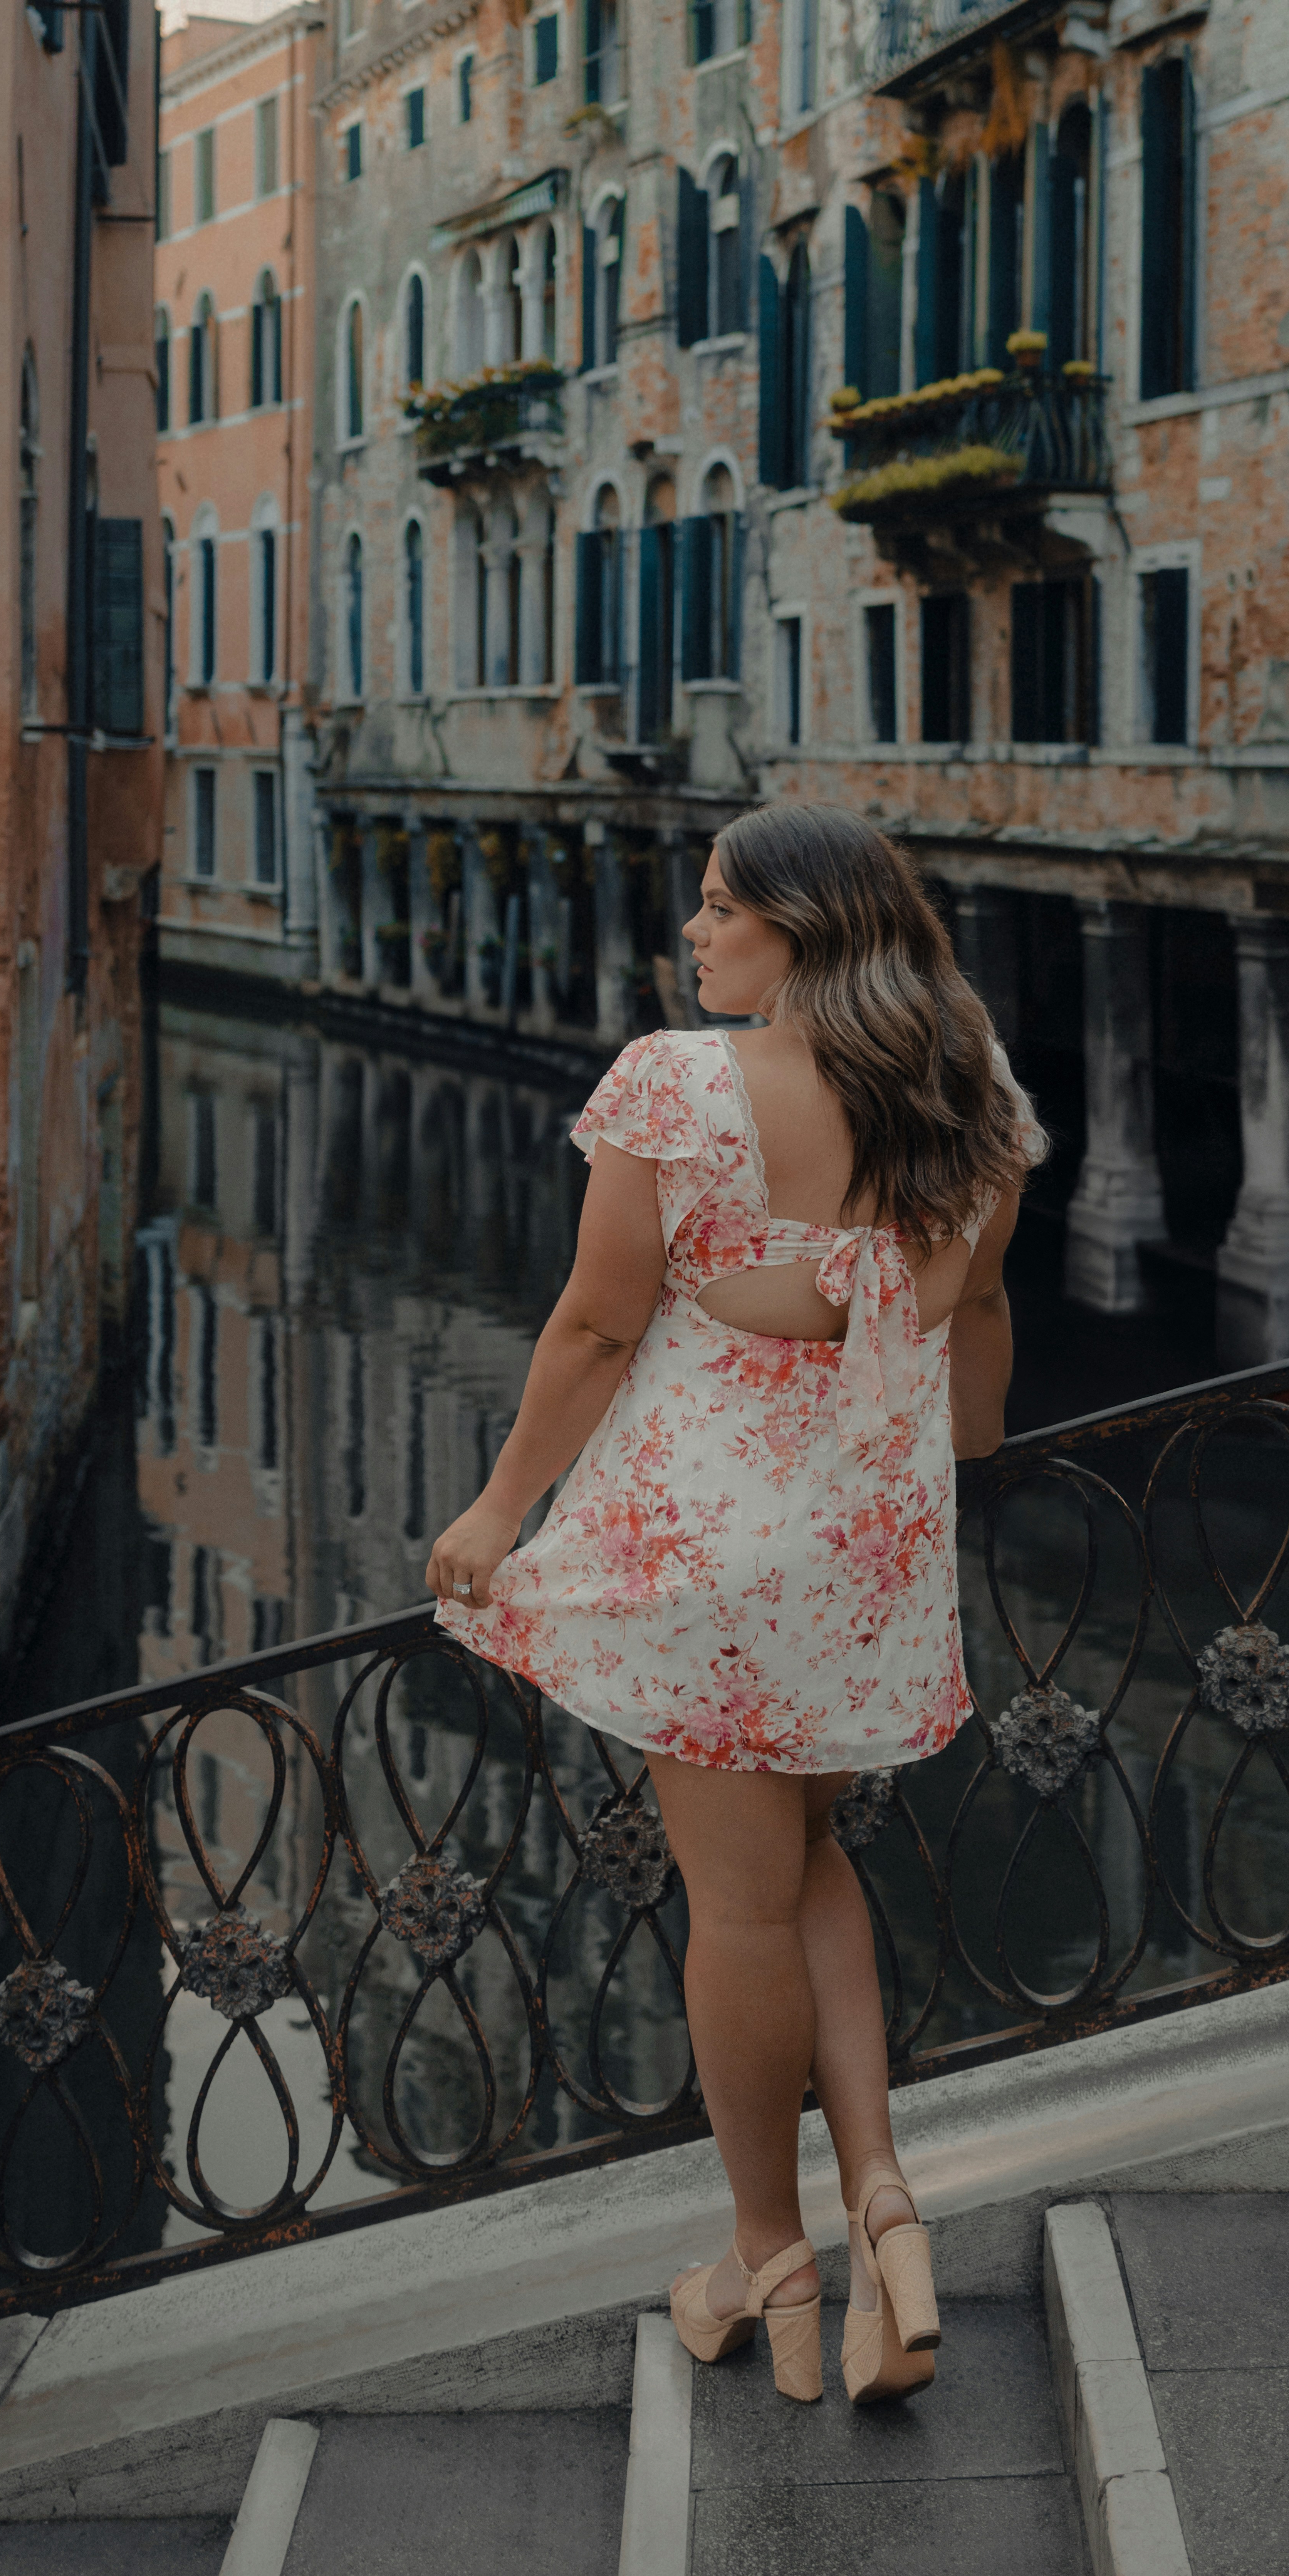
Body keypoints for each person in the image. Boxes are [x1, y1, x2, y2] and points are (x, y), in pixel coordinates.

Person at [429, 803, 1041, 2407]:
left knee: (740, 1907)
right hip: (872, 1555)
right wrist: (955, 1443)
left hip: (709, 1556)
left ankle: (772, 2254)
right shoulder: (973, 1095)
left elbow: (588, 1326)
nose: (694, 935)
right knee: (805, 1857)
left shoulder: (680, 1083)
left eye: (720, 910)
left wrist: (501, 1510)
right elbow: (975, 1344)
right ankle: (883, 2204)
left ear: (804, 929)